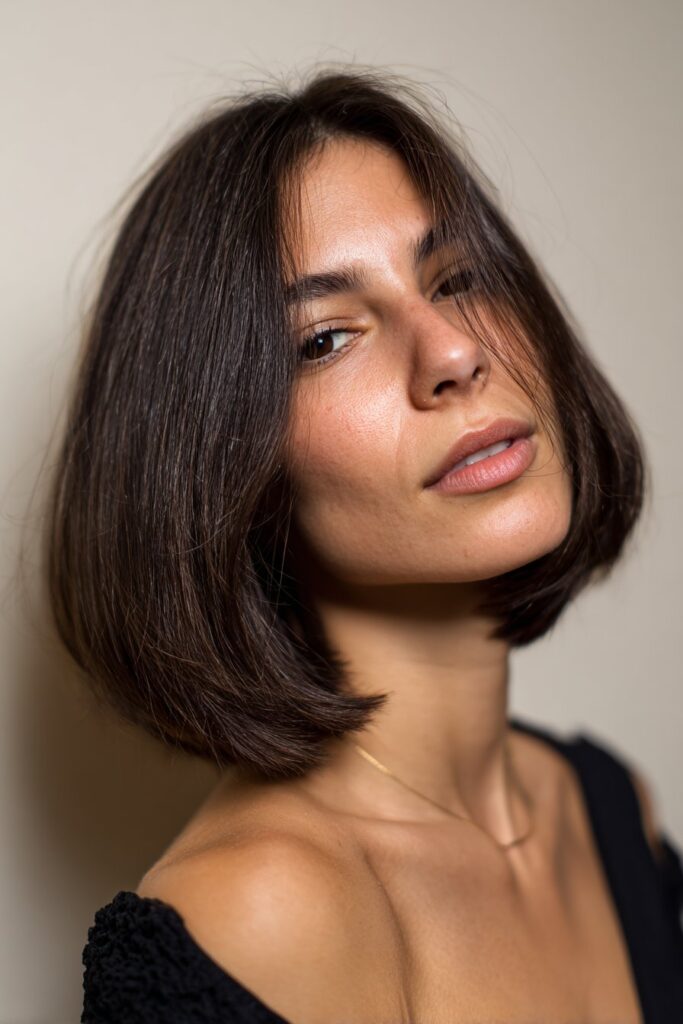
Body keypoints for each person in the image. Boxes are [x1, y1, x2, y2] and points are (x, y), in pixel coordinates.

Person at [46, 66, 683, 1023]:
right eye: (325, 339)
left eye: (458, 278)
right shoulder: (256, 918)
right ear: (225, 465)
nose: (454, 355)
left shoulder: (605, 809)